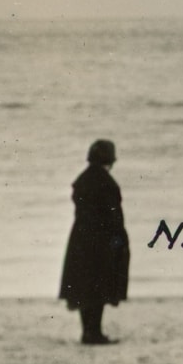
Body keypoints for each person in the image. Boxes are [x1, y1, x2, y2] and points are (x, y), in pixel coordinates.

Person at [59, 139, 129, 344]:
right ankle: (94, 332)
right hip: (101, 239)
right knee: (99, 286)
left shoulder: (82, 180)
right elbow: (114, 216)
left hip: (81, 237)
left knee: (84, 287)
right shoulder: (107, 183)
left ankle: (88, 331)